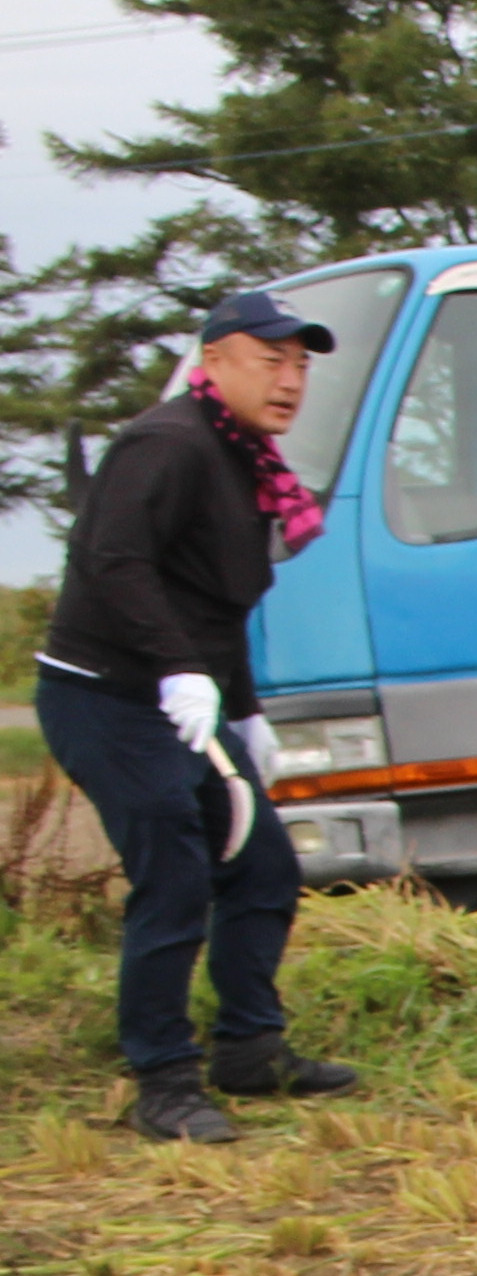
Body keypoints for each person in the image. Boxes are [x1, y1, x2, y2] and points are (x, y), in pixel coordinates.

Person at [31, 287, 361, 1146]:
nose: (290, 379)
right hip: (103, 696)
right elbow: (112, 562)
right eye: (271, 359)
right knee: (176, 871)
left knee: (262, 868)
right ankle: (163, 1079)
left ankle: (250, 1049)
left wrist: (245, 715)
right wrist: (178, 671)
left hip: (189, 700)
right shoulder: (165, 444)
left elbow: (221, 608)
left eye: (300, 365)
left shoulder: (246, 461)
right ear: (214, 361)